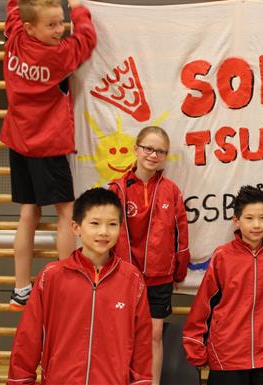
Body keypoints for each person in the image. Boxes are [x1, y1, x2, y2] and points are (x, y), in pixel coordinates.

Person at [1, 0, 97, 310]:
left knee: (28, 212)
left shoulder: (15, 38)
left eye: (61, 22)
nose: (60, 30)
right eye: (52, 25)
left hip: (18, 140)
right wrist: (74, 1)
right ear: (31, 27)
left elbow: (13, 6)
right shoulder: (57, 55)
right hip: (47, 146)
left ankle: (21, 287)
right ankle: (67, 282)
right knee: (67, 212)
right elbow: (86, 40)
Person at [7, 188, 152, 385]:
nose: (103, 232)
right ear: (76, 227)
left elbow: (142, 345)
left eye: (112, 224)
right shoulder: (52, 277)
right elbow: (28, 339)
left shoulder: (132, 280)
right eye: (95, 223)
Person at [182, 184, 263, 385]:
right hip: (227, 358)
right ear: (236, 220)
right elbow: (204, 306)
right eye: (249, 218)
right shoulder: (222, 256)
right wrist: (195, 347)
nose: (257, 225)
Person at [108, 126, 190, 385]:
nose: (153, 155)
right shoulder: (117, 189)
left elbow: (181, 233)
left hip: (159, 277)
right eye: (148, 148)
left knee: (154, 334)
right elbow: (107, 235)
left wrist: (179, 270)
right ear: (136, 149)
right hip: (124, 278)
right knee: (124, 335)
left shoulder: (171, 190)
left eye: (160, 151)